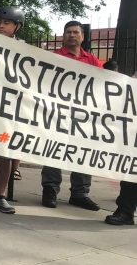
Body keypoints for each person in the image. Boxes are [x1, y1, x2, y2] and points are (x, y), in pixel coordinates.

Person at [41, 21, 102, 211]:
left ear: (82, 36)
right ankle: (50, 190)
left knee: (84, 150)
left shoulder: (93, 61)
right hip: (57, 112)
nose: (72, 35)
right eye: (68, 32)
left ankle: (80, 193)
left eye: (76, 32)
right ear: (63, 35)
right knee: (53, 149)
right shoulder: (53, 57)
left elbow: (104, 85)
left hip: (83, 116)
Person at [0, 6, 26, 214]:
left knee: (5, 152)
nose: (1, 26)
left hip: (7, 108)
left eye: (7, 23)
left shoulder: (23, 49)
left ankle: (0, 195)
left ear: (16, 27)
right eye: (0, 22)